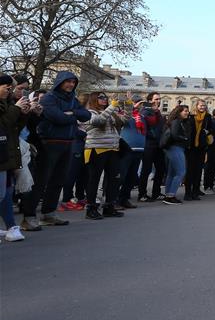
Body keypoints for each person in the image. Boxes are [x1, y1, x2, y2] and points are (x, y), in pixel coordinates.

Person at [21, 71, 90, 230]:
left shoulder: (72, 99)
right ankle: (29, 217)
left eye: (73, 82)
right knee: (41, 181)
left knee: (58, 180)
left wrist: (71, 113)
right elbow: (57, 117)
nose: (71, 85)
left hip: (67, 143)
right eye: (68, 82)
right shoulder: (49, 98)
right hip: (49, 143)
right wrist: (74, 116)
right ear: (60, 82)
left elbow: (86, 115)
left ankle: (49, 213)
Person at [81, 92, 126, 220]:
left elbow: (125, 120)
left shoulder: (109, 112)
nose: (104, 99)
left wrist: (128, 105)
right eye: (101, 97)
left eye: (105, 97)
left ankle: (109, 206)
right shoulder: (89, 112)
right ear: (94, 99)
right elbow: (98, 121)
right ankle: (91, 208)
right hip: (96, 149)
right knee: (94, 180)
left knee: (114, 179)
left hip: (112, 149)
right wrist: (111, 107)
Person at [1, 74, 29, 242]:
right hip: (3, 153)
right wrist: (16, 109)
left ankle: (11, 227)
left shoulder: (8, 104)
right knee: (3, 193)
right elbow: (3, 124)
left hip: (7, 152)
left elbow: (14, 128)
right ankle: (11, 226)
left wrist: (24, 114)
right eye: (8, 87)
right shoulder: (9, 105)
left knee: (6, 192)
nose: (10, 91)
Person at [116, 95, 146, 210]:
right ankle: (114, 199)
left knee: (131, 177)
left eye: (141, 103)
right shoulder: (124, 115)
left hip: (139, 149)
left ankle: (124, 198)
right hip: (126, 149)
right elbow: (123, 121)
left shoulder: (141, 117)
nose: (140, 105)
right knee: (121, 176)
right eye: (137, 103)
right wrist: (131, 107)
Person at [184, 100, 215, 201]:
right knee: (189, 171)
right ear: (196, 106)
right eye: (201, 105)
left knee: (198, 171)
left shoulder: (208, 117)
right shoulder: (191, 116)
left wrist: (207, 132)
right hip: (191, 146)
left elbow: (211, 129)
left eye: (204, 106)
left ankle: (195, 192)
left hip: (201, 146)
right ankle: (187, 193)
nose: (203, 107)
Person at [138, 92, 166, 202]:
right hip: (149, 144)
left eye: (159, 99)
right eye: (156, 99)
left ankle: (156, 192)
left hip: (159, 144)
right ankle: (142, 194)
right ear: (150, 101)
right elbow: (147, 126)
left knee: (160, 169)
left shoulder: (158, 112)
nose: (158, 101)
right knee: (146, 170)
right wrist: (154, 111)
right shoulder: (145, 111)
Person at [161, 105, 190, 205]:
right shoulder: (177, 122)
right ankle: (170, 196)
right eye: (185, 111)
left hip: (172, 148)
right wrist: (185, 139)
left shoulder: (175, 121)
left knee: (172, 173)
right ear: (179, 112)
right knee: (181, 172)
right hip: (176, 148)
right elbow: (174, 134)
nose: (187, 113)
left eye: (187, 111)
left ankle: (168, 195)